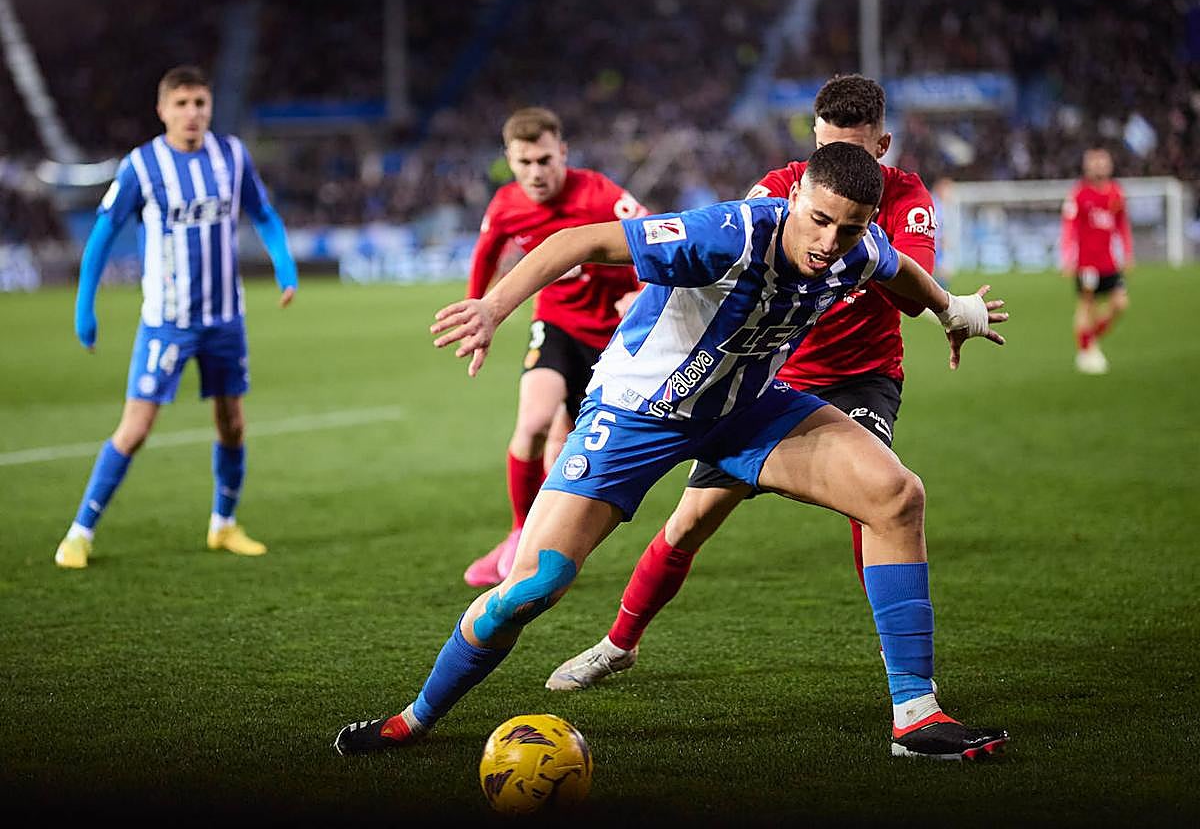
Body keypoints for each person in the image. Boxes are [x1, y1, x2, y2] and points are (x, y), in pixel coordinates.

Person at [335, 141, 1010, 761]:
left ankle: (916, 719)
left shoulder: (857, 249)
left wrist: (952, 310)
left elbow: (899, 271)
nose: (830, 242)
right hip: (636, 414)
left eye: (851, 228)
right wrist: (492, 307)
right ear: (796, 195)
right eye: (820, 220)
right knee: (535, 586)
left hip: (745, 408)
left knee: (896, 495)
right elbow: (578, 240)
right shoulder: (726, 234)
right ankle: (413, 720)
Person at [546, 73, 943, 691]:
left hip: (859, 378)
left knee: (881, 499)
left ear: (882, 147)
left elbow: (913, 292)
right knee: (690, 521)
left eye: (853, 152)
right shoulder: (783, 188)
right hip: (767, 379)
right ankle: (618, 644)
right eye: (824, 150)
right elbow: (731, 266)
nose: (836, 167)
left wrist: (900, 285)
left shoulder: (907, 199)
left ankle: (908, 684)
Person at [53, 65, 298, 570]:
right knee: (135, 428)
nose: (192, 113)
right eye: (181, 104)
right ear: (162, 110)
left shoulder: (232, 155)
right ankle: (79, 532)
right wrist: (84, 307)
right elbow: (102, 235)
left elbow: (263, 213)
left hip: (225, 319)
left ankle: (224, 524)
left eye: (200, 103)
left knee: (232, 424)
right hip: (167, 322)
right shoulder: (142, 166)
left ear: (210, 107)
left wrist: (284, 266)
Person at [461, 107, 646, 587]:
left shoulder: (601, 194)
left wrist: (642, 293)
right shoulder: (505, 204)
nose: (535, 173)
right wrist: (478, 315)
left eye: (544, 160)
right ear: (509, 160)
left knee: (568, 445)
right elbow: (484, 259)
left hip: (613, 336)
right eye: (523, 163)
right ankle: (519, 535)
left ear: (562, 152)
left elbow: (657, 238)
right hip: (557, 324)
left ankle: (544, 543)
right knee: (533, 424)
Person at [1061, 146, 1132, 375]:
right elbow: (1069, 227)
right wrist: (1067, 257)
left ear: (1109, 165)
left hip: (1109, 262)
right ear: (1087, 166)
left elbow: (1122, 225)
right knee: (1086, 305)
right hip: (1087, 263)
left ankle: (1090, 339)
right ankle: (1085, 351)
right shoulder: (1079, 194)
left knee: (1120, 304)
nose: (1099, 166)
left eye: (1102, 162)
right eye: (1094, 162)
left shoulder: (1116, 193)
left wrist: (1127, 253)